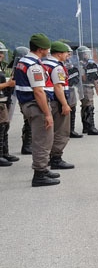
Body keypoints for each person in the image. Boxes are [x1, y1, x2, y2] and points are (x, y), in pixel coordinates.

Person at [14, 34, 60, 186]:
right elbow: (38, 91)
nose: (48, 51)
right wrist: (47, 114)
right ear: (41, 49)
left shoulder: (23, 61)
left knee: (42, 137)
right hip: (36, 105)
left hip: (27, 104)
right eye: (47, 48)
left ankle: (44, 169)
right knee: (43, 139)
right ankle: (39, 174)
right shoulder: (34, 66)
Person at [41, 41, 75, 170]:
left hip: (48, 100)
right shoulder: (57, 66)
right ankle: (56, 158)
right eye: (66, 53)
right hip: (57, 101)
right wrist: (65, 105)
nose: (67, 55)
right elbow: (58, 87)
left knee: (48, 132)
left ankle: (49, 157)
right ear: (59, 53)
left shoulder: (43, 63)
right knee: (61, 131)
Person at [77, 45, 98, 135]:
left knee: (89, 106)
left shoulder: (89, 64)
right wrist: (87, 70)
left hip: (90, 86)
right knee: (88, 106)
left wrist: (97, 88)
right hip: (84, 87)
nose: (87, 55)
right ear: (81, 54)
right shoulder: (80, 65)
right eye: (85, 54)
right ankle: (90, 127)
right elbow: (83, 78)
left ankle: (87, 126)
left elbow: (94, 78)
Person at [0, 41, 17, 166]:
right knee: (1, 128)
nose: (1, 55)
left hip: (3, 100)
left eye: (2, 53)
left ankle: (4, 152)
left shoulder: (1, 67)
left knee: (4, 126)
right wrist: (7, 84)